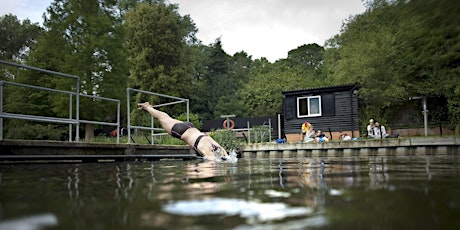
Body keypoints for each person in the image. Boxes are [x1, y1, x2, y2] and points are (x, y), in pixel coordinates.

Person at [138, 102, 229, 161]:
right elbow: (211, 162)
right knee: (161, 118)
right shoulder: (206, 150)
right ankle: (147, 107)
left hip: (190, 126)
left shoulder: (214, 144)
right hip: (181, 131)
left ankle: (149, 107)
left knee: (165, 118)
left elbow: (226, 154)